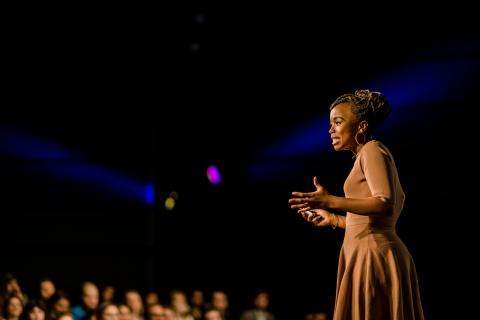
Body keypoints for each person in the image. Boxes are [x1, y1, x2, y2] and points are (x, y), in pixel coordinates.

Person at [288, 89, 424, 319]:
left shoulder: (372, 149)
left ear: (361, 126)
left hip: (374, 254)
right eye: (330, 123)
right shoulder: (364, 156)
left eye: (338, 122)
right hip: (366, 250)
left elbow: (385, 204)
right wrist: (333, 219)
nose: (331, 129)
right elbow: (369, 221)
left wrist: (331, 200)